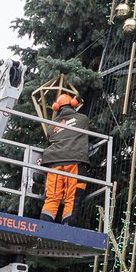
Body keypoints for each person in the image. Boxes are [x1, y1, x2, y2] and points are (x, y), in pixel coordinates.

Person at [39, 92, 91, 224]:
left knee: (52, 196)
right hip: (75, 161)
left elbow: (50, 139)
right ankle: (68, 226)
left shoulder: (51, 126)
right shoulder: (82, 119)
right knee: (72, 197)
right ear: (73, 104)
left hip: (54, 163)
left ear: (56, 107)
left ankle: (44, 225)